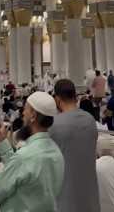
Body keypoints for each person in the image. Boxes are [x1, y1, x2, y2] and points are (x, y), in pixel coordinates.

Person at [0, 91, 65, 212]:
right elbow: (23, 170)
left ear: (33, 116)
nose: (22, 113)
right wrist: (2, 138)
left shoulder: (25, 157)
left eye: (25, 110)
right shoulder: (56, 152)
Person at [48, 79, 99, 212]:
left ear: (57, 99)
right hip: (90, 199)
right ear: (75, 96)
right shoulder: (90, 120)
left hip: (64, 200)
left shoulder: (54, 125)